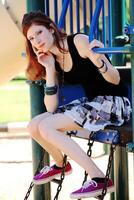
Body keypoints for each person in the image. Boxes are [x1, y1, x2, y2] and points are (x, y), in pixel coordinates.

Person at [21, 11, 131, 199]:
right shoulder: (52, 60)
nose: (36, 41)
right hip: (93, 104)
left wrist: (98, 62)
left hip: (114, 104)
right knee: (34, 126)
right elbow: (51, 108)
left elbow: (115, 79)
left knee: (47, 126)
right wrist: (48, 68)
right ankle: (60, 164)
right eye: (31, 38)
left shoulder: (79, 42)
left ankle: (100, 178)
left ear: (50, 29)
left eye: (39, 33)